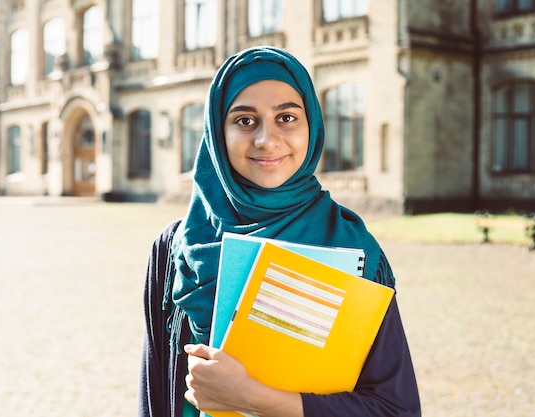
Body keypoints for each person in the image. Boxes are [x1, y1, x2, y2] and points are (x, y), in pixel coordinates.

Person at [137, 46, 421, 417]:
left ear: (312, 126)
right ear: (216, 133)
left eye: (286, 117)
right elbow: (154, 390)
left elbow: (394, 408)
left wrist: (252, 398)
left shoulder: (355, 250)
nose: (266, 140)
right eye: (244, 120)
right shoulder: (177, 248)